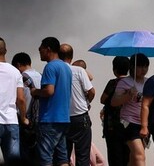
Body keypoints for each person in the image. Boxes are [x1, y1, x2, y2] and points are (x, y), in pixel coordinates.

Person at [31, 37, 73, 166]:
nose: (39, 51)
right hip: (64, 118)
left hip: (50, 119)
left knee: (45, 157)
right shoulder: (66, 68)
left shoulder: (50, 67)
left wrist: (35, 91)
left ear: (48, 49)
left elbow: (49, 91)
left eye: (40, 49)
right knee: (62, 157)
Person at [58, 44, 95, 166]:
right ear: (71, 56)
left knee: (63, 157)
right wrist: (87, 102)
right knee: (83, 157)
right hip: (80, 117)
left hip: (62, 118)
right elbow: (91, 91)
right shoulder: (79, 71)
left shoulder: (54, 69)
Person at [111, 53, 149, 166]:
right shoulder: (125, 82)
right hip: (129, 122)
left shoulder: (149, 82)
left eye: (146, 66)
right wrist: (128, 95)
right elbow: (114, 102)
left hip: (144, 123)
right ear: (132, 67)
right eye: (140, 66)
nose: (144, 70)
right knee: (140, 155)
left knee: (134, 158)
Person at [99, 56, 131, 166]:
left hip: (112, 126)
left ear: (114, 69)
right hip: (129, 126)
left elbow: (103, 99)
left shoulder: (113, 83)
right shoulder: (132, 84)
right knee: (128, 156)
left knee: (115, 157)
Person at [0, 37, 27, 162]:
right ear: (5, 50)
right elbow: (21, 99)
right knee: (13, 160)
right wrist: (23, 118)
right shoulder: (15, 72)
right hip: (11, 121)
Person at [11, 51, 40, 162]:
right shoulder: (40, 75)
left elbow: (21, 99)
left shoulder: (22, 77)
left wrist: (23, 118)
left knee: (24, 155)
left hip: (26, 121)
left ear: (18, 65)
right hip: (39, 119)